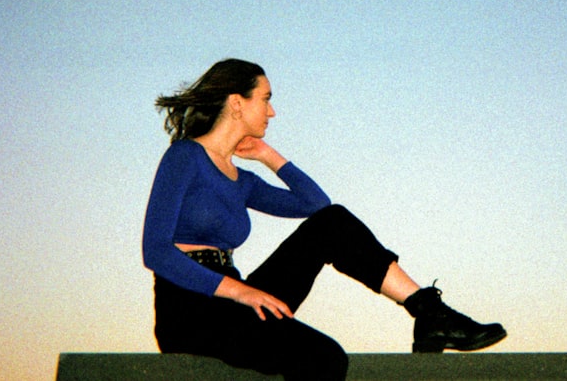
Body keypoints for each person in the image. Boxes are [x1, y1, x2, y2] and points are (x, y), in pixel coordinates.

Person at [142, 59, 506, 380]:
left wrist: (269, 155)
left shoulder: (242, 180)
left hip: (236, 303)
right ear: (237, 104)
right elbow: (155, 252)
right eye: (266, 99)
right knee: (325, 358)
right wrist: (243, 292)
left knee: (332, 222)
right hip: (190, 310)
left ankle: (430, 313)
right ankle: (432, 317)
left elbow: (316, 204)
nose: (272, 112)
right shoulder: (185, 157)